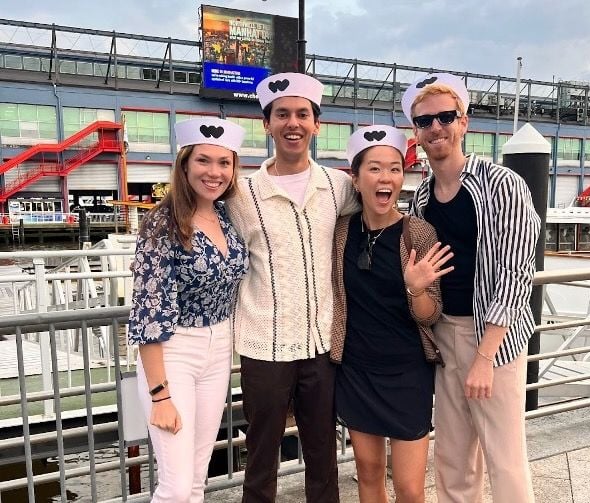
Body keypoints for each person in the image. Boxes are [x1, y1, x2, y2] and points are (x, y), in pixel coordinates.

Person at [402, 73, 541, 503]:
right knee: (454, 458)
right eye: (426, 121)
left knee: (505, 458)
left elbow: (517, 274)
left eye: (446, 116)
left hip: (494, 341)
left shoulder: (503, 185)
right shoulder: (422, 196)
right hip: (444, 335)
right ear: (417, 133)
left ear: (464, 122)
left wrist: (485, 356)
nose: (436, 127)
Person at [225, 72, 358, 503]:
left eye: (303, 114)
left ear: (317, 124)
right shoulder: (240, 194)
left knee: (323, 454)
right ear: (267, 124)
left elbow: (381, 205)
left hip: (320, 347)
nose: (292, 123)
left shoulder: (337, 187)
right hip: (264, 346)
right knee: (260, 455)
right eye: (281, 114)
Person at [127, 117, 249, 503]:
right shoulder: (161, 223)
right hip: (173, 351)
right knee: (176, 487)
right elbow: (148, 310)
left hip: (219, 349)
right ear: (184, 165)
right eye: (203, 161)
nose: (214, 172)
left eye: (224, 163)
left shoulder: (229, 217)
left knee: (196, 478)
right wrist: (160, 395)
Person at [330, 125, 453, 502]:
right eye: (374, 169)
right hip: (355, 369)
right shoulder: (340, 232)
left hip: (406, 373)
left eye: (395, 169)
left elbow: (430, 315)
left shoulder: (417, 233)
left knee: (410, 488)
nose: (386, 178)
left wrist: (415, 287)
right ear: (355, 178)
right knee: (367, 474)